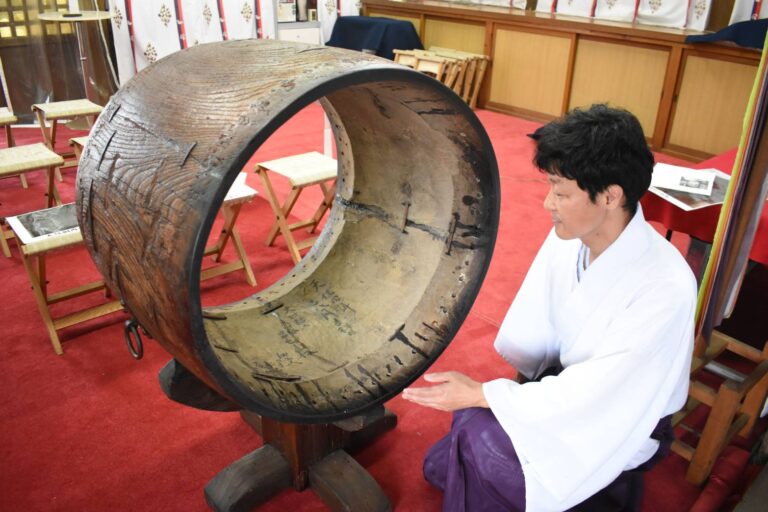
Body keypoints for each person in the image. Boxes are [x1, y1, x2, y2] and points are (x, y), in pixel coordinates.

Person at [402, 104, 696, 511]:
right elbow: (539, 329)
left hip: (619, 417)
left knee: (477, 437)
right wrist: (499, 397)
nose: (547, 204)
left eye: (560, 192)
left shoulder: (666, 285)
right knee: (467, 429)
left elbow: (604, 394)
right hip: (568, 390)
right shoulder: (573, 237)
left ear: (610, 196)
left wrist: (489, 394)